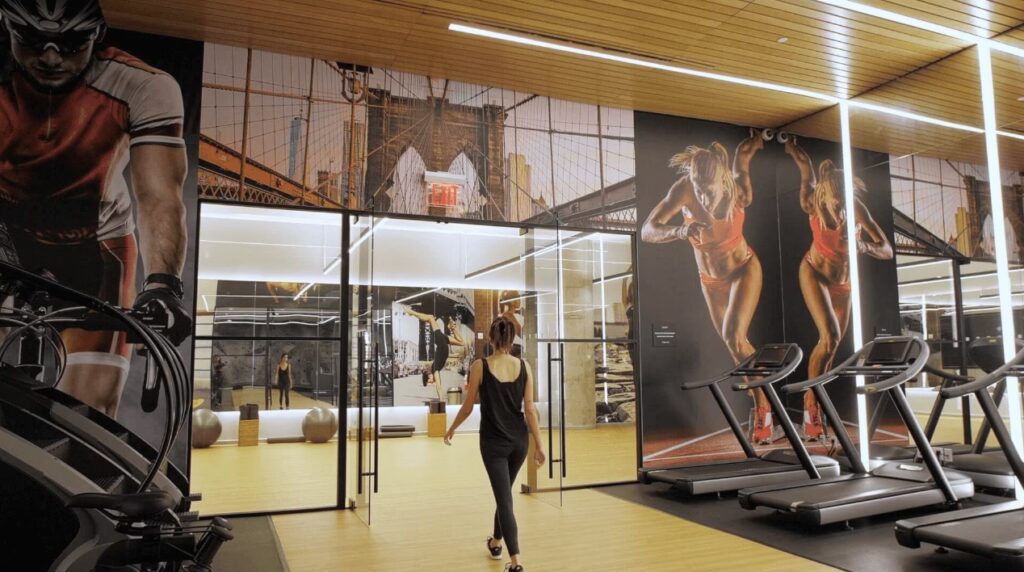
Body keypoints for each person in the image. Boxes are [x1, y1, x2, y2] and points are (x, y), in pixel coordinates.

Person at [0, 0, 191, 416]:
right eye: (32, 40)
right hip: (6, 240)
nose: (51, 57)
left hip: (96, 250)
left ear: (97, 36)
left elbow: (159, 196)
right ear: (7, 29)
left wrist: (162, 285)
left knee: (90, 410)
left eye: (71, 43)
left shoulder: (143, 85)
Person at [641, 129, 776, 444]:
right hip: (710, 280)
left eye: (708, 191)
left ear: (722, 182)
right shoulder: (684, 189)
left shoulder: (738, 190)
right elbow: (648, 229)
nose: (702, 198)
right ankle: (762, 402)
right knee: (734, 345)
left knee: (734, 336)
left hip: (743, 269)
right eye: (699, 191)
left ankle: (765, 409)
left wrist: (758, 140)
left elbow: (743, 154)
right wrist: (679, 231)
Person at [785, 136, 893, 440]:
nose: (841, 209)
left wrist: (864, 245)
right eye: (837, 203)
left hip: (844, 283)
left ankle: (815, 403)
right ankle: (811, 408)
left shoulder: (856, 208)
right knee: (829, 336)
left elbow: (887, 249)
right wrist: (791, 147)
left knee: (831, 347)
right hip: (815, 273)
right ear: (826, 195)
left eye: (845, 202)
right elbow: (805, 166)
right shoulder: (812, 203)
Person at [445, 316, 545, 572]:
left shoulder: (480, 366)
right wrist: (539, 444)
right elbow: (530, 410)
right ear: (512, 339)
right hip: (519, 442)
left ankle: (516, 562)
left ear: (490, 338)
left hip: (493, 445)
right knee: (504, 494)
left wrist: (452, 428)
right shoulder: (524, 366)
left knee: (504, 499)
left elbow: (468, 407)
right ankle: (496, 541)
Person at [402, 304, 454, 399]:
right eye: (430, 382)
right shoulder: (434, 369)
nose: (431, 382)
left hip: (442, 343)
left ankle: (411, 312)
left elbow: (438, 387)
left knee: (430, 318)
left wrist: (441, 399)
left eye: (429, 381)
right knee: (461, 342)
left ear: (428, 376)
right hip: (443, 343)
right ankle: (412, 313)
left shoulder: (434, 370)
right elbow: (438, 386)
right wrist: (441, 398)